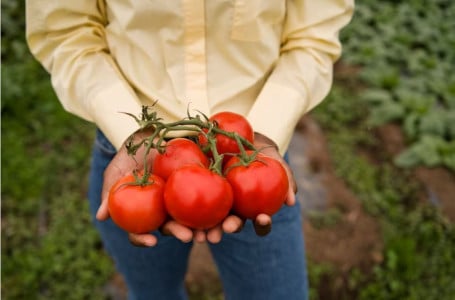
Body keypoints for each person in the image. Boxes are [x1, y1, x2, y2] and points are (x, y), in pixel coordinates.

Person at [26, 1, 354, 299]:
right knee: (153, 294)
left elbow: (313, 33)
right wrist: (134, 134)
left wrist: (267, 129)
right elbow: (66, 31)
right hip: (136, 161)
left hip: (251, 154)